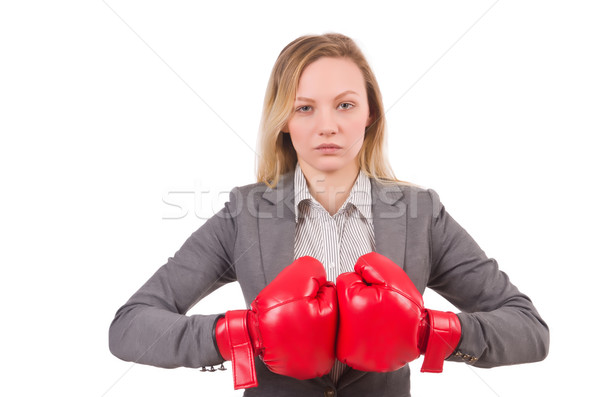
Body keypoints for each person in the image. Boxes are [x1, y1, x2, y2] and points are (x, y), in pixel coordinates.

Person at [109, 32, 549, 396]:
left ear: (369, 114)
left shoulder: (420, 214)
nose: (327, 126)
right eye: (305, 107)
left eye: (345, 104)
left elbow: (529, 329)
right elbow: (130, 326)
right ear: (284, 120)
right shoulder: (244, 216)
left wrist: (430, 331)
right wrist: (243, 334)